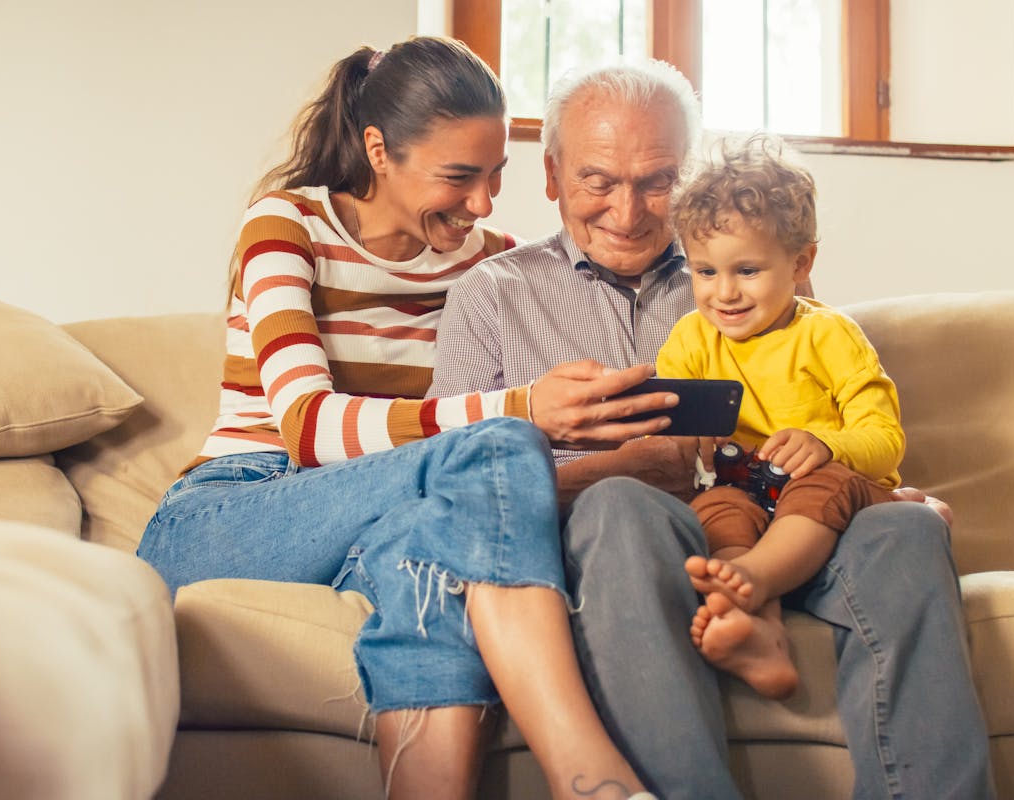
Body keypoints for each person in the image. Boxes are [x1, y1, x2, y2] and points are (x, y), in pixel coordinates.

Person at [430, 60, 996, 799]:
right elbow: (454, 488)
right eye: (599, 181)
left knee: (911, 533)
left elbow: (826, 414)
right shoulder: (490, 297)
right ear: (552, 174)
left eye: (657, 181)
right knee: (619, 508)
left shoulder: (749, 264)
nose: (628, 213)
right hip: (625, 536)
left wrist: (869, 486)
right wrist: (627, 468)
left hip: (777, 511)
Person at [135, 36, 677, 800]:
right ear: (379, 150)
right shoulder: (288, 226)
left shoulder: (495, 265)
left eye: (495, 177)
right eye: (459, 177)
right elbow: (307, 429)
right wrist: (522, 410)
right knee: (494, 447)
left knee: (440, 571)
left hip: (385, 519)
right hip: (237, 508)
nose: (483, 204)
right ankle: (587, 773)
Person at [656, 132, 904, 701]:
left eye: (747, 270)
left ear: (801, 262)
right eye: (704, 272)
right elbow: (667, 429)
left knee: (821, 484)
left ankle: (757, 579)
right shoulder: (691, 338)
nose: (724, 294)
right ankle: (760, 633)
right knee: (715, 506)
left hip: (827, 493)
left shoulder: (829, 334)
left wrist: (826, 443)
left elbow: (886, 439)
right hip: (745, 489)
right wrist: (678, 437)